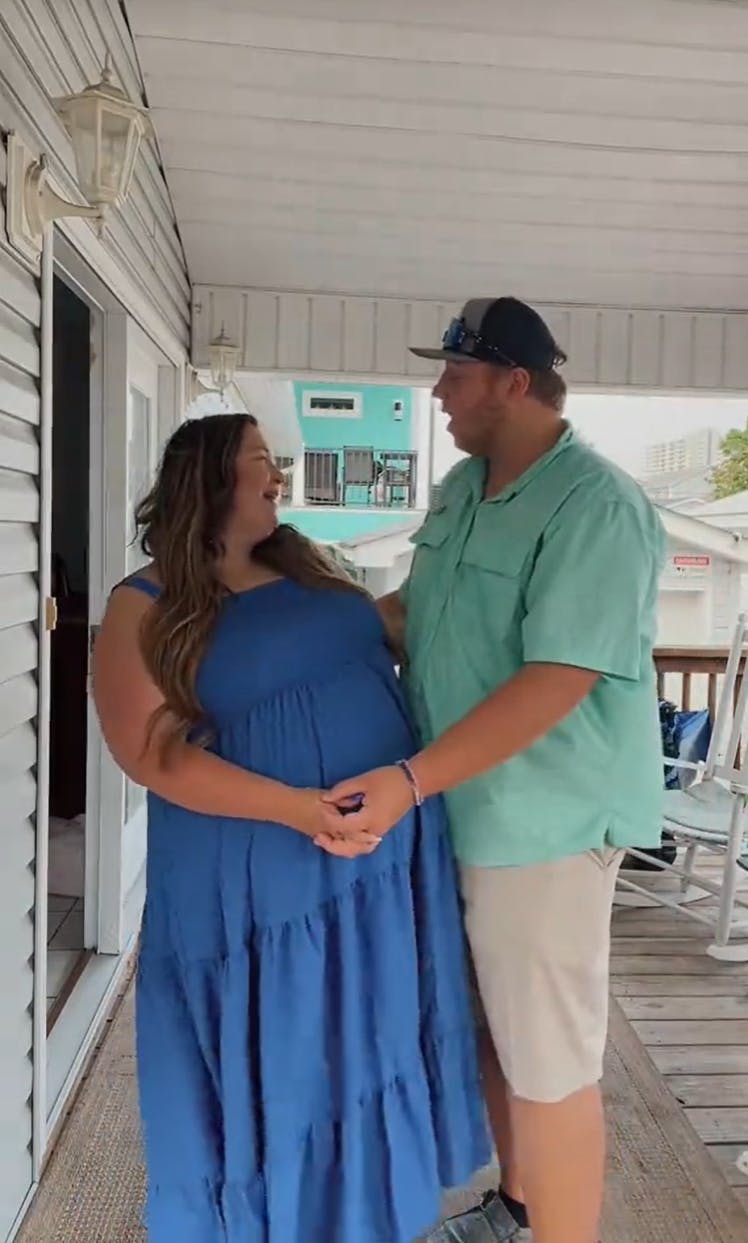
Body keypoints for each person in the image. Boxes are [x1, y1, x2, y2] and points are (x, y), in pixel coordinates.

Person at [93, 413, 491, 1243]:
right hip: (256, 876)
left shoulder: (307, 562)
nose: (278, 473)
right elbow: (151, 755)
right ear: (205, 478)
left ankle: (364, 1217)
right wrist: (302, 810)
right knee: (280, 1053)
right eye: (259, 461)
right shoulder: (144, 601)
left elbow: (391, 630)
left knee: (364, 1040)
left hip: (370, 862)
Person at [324, 298, 666, 1243]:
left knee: (551, 1064)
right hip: (461, 816)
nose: (438, 391)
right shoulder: (463, 489)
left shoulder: (597, 505)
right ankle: (518, 1211)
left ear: (515, 384)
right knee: (493, 1040)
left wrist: (409, 779)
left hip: (544, 829)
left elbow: (557, 678)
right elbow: (412, 617)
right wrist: (299, 614)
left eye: (458, 374)